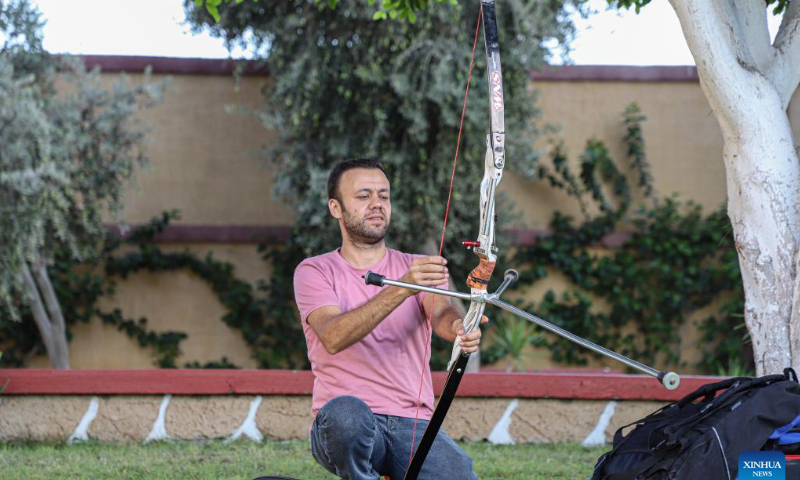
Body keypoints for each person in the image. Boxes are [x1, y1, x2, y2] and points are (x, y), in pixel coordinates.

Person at [293, 158, 486, 480]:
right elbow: (333, 336)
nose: (376, 204)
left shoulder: (419, 266)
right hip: (344, 423)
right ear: (335, 208)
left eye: (383, 196)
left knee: (459, 473)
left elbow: (441, 311)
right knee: (347, 415)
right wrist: (402, 287)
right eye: (363, 195)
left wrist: (458, 327)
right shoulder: (314, 271)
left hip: (412, 425)